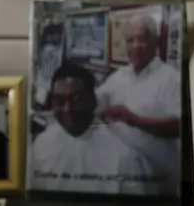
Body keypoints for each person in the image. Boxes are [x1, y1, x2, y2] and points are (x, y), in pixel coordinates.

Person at [29, 63, 158, 195]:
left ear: (93, 101)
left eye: (76, 99)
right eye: (60, 101)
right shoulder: (41, 145)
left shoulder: (124, 158)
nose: (67, 109)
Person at [96, 13, 181, 193]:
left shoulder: (171, 78)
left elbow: (177, 126)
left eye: (142, 39)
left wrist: (133, 120)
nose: (135, 46)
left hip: (156, 179)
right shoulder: (118, 76)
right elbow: (96, 102)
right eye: (130, 40)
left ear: (156, 43)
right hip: (118, 170)